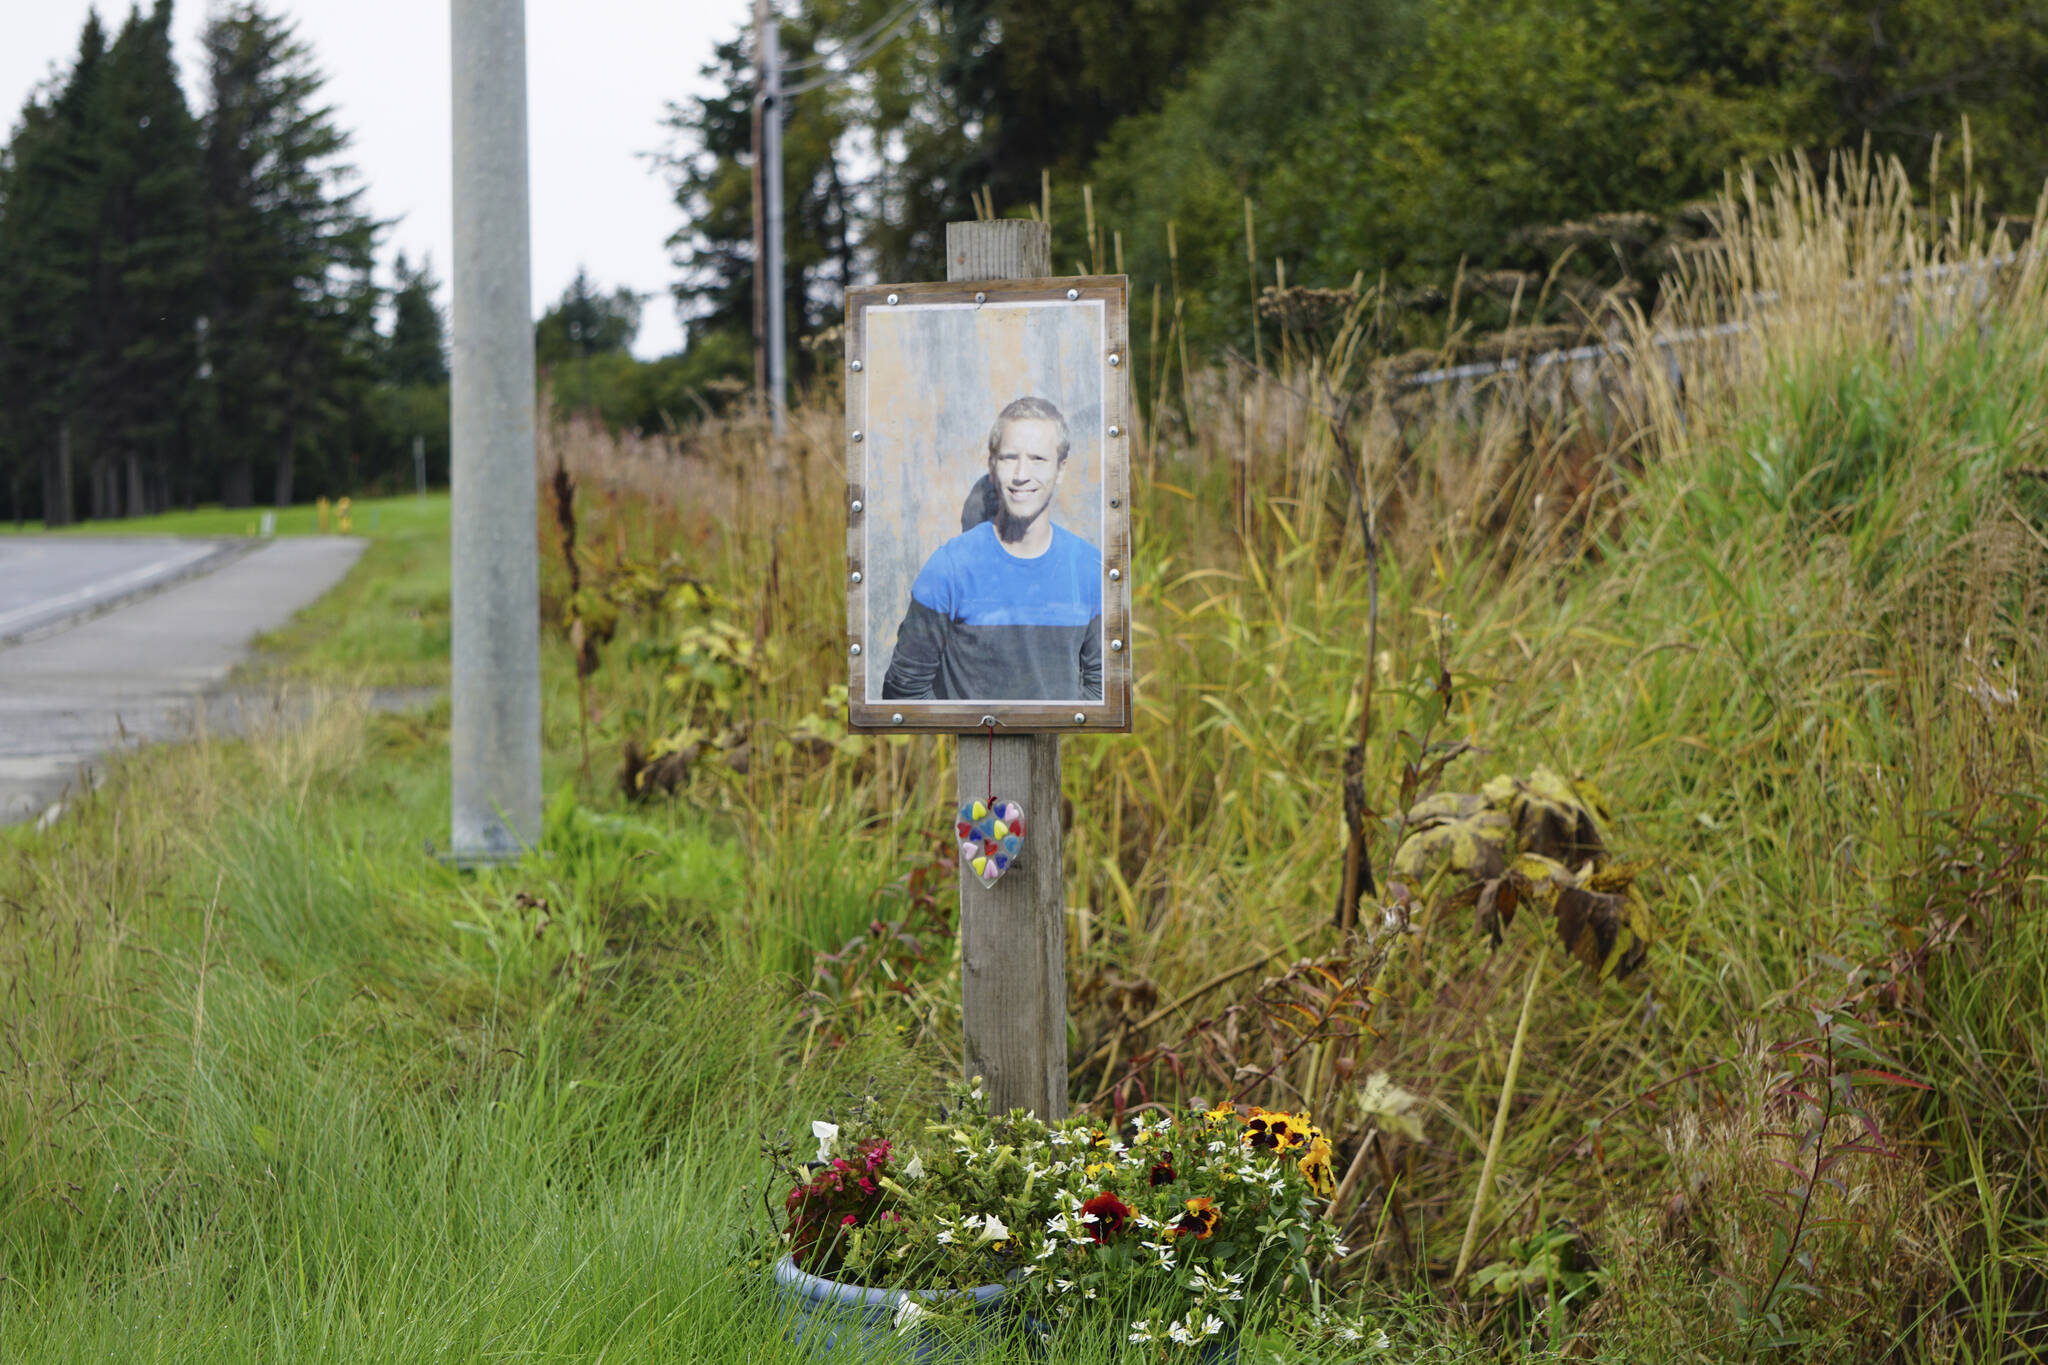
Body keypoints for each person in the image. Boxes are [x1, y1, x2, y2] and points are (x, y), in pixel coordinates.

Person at [882, 395, 1102, 701]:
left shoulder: (1090, 568)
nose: (1021, 474)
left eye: (1038, 459)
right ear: (991, 464)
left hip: (1062, 748)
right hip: (972, 749)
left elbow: (1103, 692)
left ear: (1061, 469)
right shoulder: (949, 567)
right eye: (1009, 457)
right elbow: (903, 690)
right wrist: (966, 735)